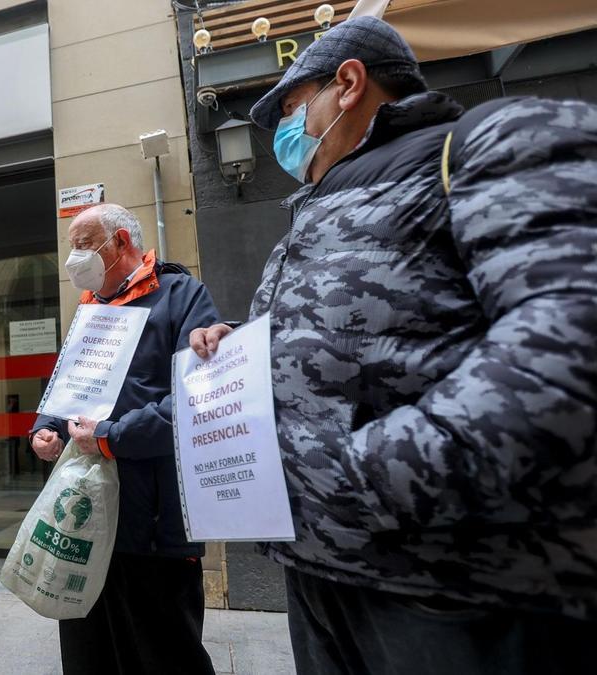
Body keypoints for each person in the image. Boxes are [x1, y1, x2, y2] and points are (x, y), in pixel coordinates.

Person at [189, 17, 597, 675]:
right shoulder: (314, 208)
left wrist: (364, 479)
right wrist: (241, 348)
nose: (284, 138)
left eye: (293, 110)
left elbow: (566, 340)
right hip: (320, 571)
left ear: (348, 84)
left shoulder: (486, 145)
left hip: (451, 590)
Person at [31, 204, 221, 674]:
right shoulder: (89, 309)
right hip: (84, 522)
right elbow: (67, 388)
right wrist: (45, 429)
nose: (74, 256)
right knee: (87, 650)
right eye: (70, 245)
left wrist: (111, 437)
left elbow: (193, 400)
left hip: (153, 526)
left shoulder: (181, 296)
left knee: (163, 651)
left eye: (84, 243)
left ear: (120, 241)